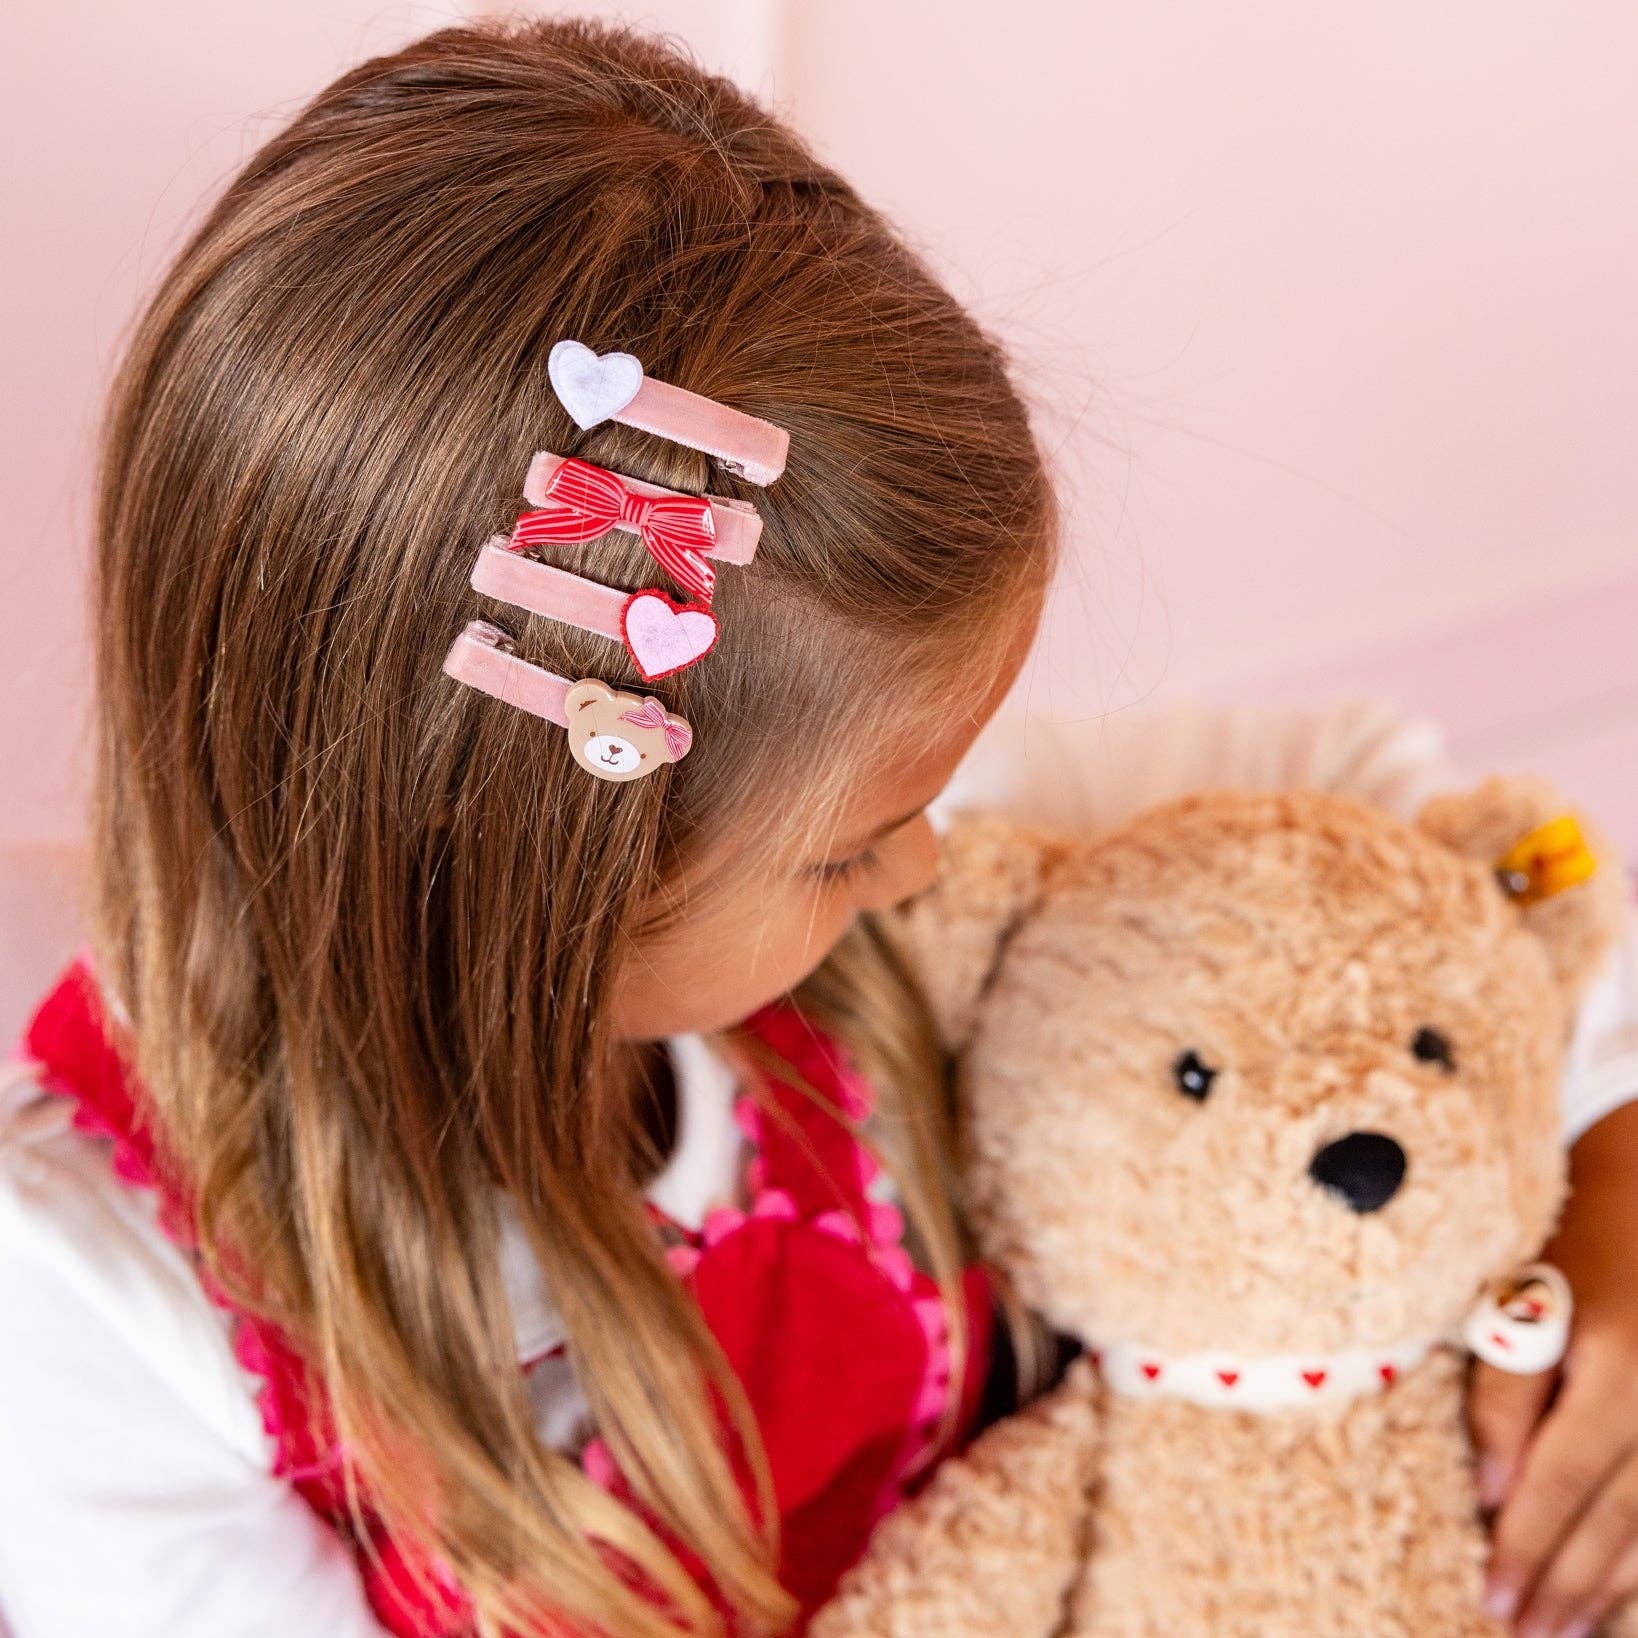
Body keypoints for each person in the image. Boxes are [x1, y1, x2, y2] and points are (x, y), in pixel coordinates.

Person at [0, 19, 1633, 1638]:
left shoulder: (825, 780)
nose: (927, 864)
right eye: (856, 849)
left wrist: (1612, 1225)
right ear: (538, 877)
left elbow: (1393, 800)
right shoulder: (97, 1297)